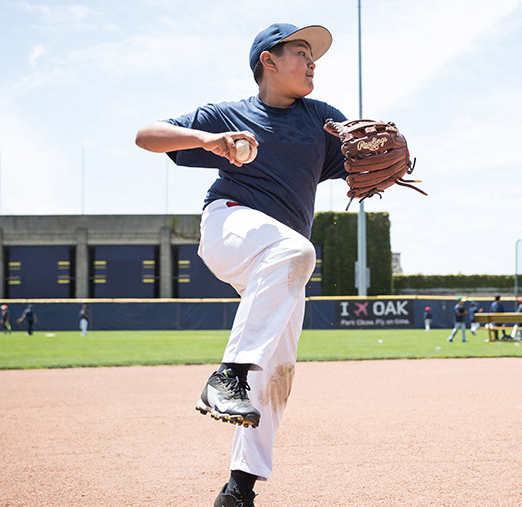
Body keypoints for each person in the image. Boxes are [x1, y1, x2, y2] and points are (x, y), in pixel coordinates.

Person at [135, 22, 348, 505]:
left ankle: (238, 490)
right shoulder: (230, 114)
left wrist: (385, 161)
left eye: (313, 54)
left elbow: (361, 156)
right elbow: (146, 136)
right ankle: (228, 376)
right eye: (300, 51)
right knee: (297, 251)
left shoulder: (321, 118)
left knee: (278, 368)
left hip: (280, 256)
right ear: (267, 61)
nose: (312, 60)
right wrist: (207, 141)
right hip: (229, 225)